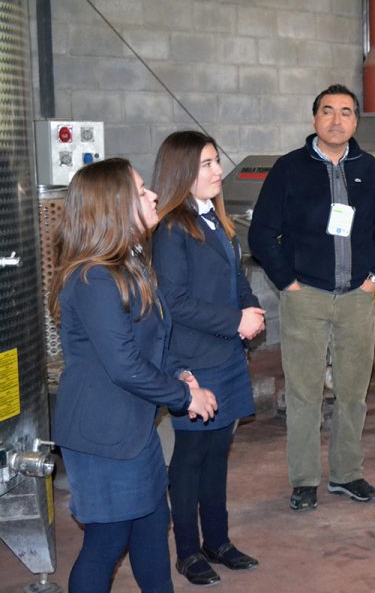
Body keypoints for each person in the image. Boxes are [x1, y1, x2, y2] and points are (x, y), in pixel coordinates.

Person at [50, 158, 217, 593]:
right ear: (115, 205)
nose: (154, 195)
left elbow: (148, 343)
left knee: (150, 526)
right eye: (142, 190)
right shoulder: (93, 279)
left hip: (134, 428)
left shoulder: (131, 265)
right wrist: (183, 397)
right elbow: (123, 363)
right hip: (102, 436)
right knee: (107, 541)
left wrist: (179, 373)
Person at [248, 84, 375, 512]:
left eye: (346, 112)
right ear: (314, 119)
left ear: (355, 122)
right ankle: (304, 480)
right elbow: (261, 233)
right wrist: (288, 284)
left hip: (356, 298)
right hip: (306, 297)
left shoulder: (366, 168)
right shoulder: (289, 168)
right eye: (328, 111)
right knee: (304, 393)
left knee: (353, 391)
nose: (337, 120)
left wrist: (373, 280)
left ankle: (347, 474)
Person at [151, 131, 265, 585]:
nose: (218, 171)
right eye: (207, 164)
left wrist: (251, 308)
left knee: (219, 453)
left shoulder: (214, 220)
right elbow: (173, 301)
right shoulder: (171, 229)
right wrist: (235, 321)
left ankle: (217, 540)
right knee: (190, 458)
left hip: (227, 354)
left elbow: (237, 277)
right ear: (182, 172)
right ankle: (187, 551)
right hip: (195, 360)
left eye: (216, 161)